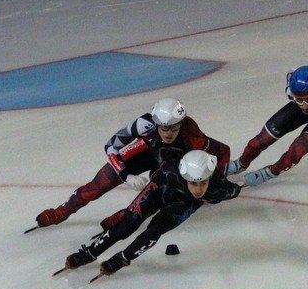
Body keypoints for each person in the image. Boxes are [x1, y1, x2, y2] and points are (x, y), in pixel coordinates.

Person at [34, 98, 231, 229]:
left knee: (164, 186)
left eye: (174, 128)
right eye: (164, 128)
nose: (169, 133)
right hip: (144, 152)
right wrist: (125, 175)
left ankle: (127, 214)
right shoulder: (143, 123)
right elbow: (111, 146)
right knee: (100, 183)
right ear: (155, 123)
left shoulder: (192, 134)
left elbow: (223, 150)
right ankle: (64, 210)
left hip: (171, 159)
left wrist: (215, 182)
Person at [60, 149, 242, 279]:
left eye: (203, 183)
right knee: (129, 221)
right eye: (193, 183)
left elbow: (235, 189)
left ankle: (123, 258)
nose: (199, 189)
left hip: (182, 204)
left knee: (154, 230)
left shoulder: (220, 188)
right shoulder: (171, 169)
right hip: (159, 190)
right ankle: (91, 252)